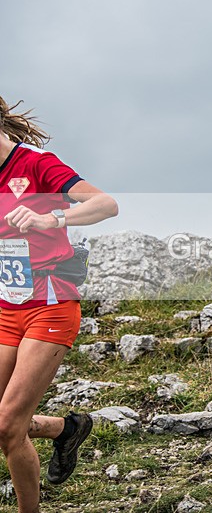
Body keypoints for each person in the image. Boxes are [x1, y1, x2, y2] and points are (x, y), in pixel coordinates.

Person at [0, 96, 118, 512]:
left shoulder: (35, 163)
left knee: (8, 423)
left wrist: (52, 218)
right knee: (2, 425)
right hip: (5, 309)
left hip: (50, 304)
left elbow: (106, 204)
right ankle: (66, 428)